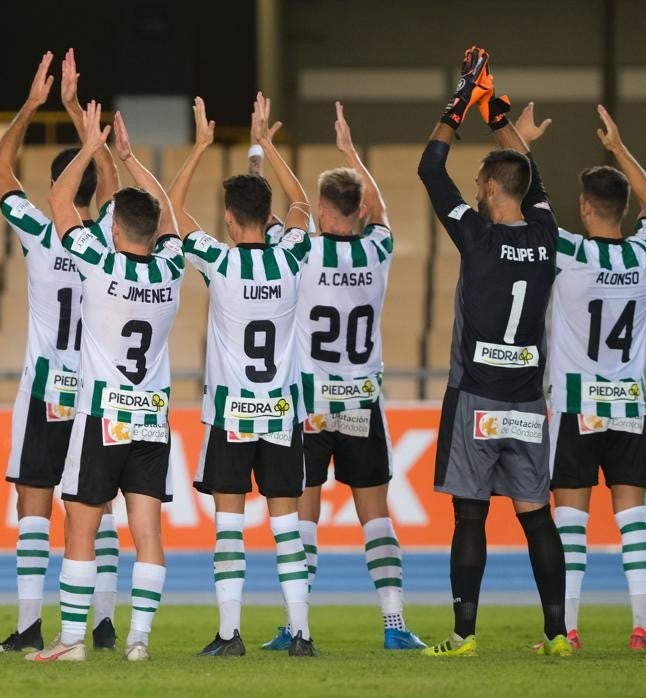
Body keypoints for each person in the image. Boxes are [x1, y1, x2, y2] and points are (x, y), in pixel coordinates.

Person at [416, 46, 570, 657]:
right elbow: (531, 174)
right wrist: (494, 105)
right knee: (537, 517)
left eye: (481, 183)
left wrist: (461, 100)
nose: (475, 189)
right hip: (527, 405)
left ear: (486, 187)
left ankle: (464, 634)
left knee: (470, 517)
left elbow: (431, 170)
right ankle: (557, 636)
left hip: (476, 397)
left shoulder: (475, 236)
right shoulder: (546, 234)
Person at [262, 101, 428, 653]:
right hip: (361, 397)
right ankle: (394, 623)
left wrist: (268, 144)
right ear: (356, 211)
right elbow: (381, 212)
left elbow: (294, 205)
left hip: (312, 401)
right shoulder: (377, 249)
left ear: (325, 213)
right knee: (374, 514)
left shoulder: (305, 249)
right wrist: (352, 152)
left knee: (303, 515)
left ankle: (297, 625)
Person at [26, 103, 182, 663]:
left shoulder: (98, 260)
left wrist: (93, 147)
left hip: (101, 416)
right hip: (151, 419)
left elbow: (59, 202)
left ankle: (71, 641)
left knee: (80, 530)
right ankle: (138, 640)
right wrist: (131, 159)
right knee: (148, 533)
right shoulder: (171, 267)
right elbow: (167, 214)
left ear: (113, 229)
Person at [0, 49, 122, 653]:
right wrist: (81, 122)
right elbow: (114, 187)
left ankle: (29, 625)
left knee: (34, 505)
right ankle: (106, 620)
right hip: (95, 390)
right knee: (97, 505)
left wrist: (35, 105)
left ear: (56, 186)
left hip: (45, 388)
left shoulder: (41, 234)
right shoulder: (111, 242)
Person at [171, 94, 313, 657]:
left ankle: (230, 635)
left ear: (228, 219)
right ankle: (301, 634)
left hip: (230, 413)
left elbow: (173, 214)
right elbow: (301, 205)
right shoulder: (291, 256)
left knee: (228, 524)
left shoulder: (220, 261)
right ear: (267, 216)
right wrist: (270, 149)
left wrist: (203, 147)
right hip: (281, 410)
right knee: (286, 526)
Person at [519, 103, 646, 651]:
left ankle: (570, 629)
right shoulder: (645, 253)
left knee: (571, 524)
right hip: (628, 402)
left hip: (578, 405)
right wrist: (619, 149)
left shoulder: (570, 250)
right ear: (624, 209)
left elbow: (532, 206)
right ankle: (644, 627)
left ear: (584, 207)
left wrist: (523, 144)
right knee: (633, 520)